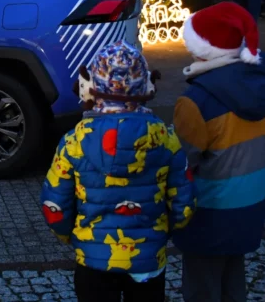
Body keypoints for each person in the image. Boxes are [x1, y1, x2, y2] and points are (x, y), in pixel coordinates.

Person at [41, 42, 194, 302]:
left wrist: (77, 239)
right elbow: (184, 203)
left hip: (93, 261)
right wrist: (161, 234)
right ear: (146, 86)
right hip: (147, 260)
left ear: (91, 86)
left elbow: (54, 204)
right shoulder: (165, 139)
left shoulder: (74, 142)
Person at [173, 2, 265, 302]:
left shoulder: (196, 100)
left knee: (202, 286)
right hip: (249, 205)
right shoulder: (254, 86)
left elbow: (181, 162)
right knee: (232, 279)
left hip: (209, 211)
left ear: (202, 49)